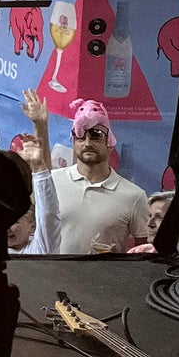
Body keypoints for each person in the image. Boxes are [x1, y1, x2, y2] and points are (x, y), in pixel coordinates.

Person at [50, 100, 151, 254]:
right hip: (50, 276)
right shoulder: (52, 181)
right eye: (80, 135)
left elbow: (145, 253)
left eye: (96, 135)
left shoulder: (134, 196)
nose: (87, 143)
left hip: (105, 277)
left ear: (109, 142)